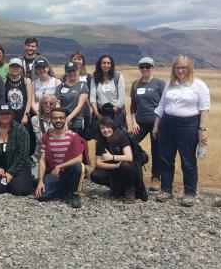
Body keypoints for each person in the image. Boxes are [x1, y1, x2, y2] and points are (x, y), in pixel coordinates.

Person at [153, 55, 210, 206]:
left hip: (188, 125)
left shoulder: (199, 85)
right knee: (165, 158)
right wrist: (156, 125)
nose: (180, 70)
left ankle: (190, 193)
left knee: (188, 160)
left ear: (189, 68)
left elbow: (204, 109)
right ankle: (166, 190)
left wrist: (202, 129)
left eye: (184, 67)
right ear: (174, 69)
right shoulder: (169, 84)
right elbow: (161, 105)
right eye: (177, 67)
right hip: (167, 123)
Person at [35, 107, 86, 208]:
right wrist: (40, 181)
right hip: (54, 174)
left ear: (65, 119)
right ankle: (64, 191)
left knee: (78, 166)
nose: (58, 120)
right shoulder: (47, 136)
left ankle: (74, 194)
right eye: (55, 118)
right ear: (51, 119)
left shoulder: (73, 137)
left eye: (61, 118)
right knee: (42, 197)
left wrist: (59, 167)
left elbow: (79, 158)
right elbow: (42, 160)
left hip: (68, 172)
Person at [129, 57, 166, 191]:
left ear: (152, 68)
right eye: (142, 66)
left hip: (157, 122)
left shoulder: (160, 84)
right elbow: (133, 106)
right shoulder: (135, 84)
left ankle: (156, 178)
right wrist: (133, 122)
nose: (145, 69)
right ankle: (134, 172)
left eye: (148, 66)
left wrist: (157, 124)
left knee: (157, 151)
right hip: (140, 122)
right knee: (129, 143)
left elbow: (163, 105)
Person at [0, 104, 35, 196]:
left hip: (19, 166)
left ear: (12, 115)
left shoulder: (21, 130)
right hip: (1, 167)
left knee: (19, 191)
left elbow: (23, 154)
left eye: (7, 113)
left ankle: (28, 178)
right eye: (1, 114)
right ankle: (12, 181)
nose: (4, 116)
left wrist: (11, 172)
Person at [90, 117, 138, 203]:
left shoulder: (121, 137)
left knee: (126, 165)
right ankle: (115, 187)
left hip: (126, 168)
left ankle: (130, 191)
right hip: (113, 167)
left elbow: (129, 157)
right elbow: (98, 163)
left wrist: (112, 157)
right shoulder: (100, 141)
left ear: (113, 127)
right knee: (95, 175)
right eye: (102, 128)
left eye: (108, 127)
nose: (105, 130)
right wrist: (115, 166)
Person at [5, 58, 35, 157]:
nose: (14, 68)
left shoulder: (26, 81)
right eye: (12, 66)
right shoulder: (5, 80)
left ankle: (25, 159)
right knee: (10, 138)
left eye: (17, 66)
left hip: (22, 115)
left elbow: (29, 99)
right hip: (9, 116)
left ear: (21, 68)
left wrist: (26, 115)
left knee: (23, 138)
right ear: (9, 67)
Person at [90, 55, 126, 130]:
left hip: (116, 113)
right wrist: (97, 114)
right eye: (104, 63)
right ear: (100, 65)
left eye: (108, 63)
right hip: (100, 113)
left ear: (111, 65)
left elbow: (121, 97)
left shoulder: (118, 78)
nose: (106, 65)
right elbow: (92, 98)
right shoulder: (95, 79)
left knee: (117, 136)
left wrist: (113, 111)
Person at [55, 61, 89, 138]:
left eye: (73, 70)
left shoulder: (82, 86)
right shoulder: (60, 86)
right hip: (61, 121)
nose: (71, 73)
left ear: (78, 71)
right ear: (66, 72)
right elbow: (57, 104)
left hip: (77, 122)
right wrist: (63, 118)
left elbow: (79, 106)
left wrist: (68, 118)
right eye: (69, 71)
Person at [30, 94, 57, 167]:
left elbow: (63, 136)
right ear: (41, 104)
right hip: (41, 153)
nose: (48, 105)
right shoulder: (35, 119)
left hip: (57, 153)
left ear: (55, 106)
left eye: (51, 103)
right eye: (45, 103)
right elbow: (39, 139)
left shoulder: (59, 118)